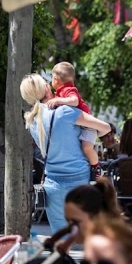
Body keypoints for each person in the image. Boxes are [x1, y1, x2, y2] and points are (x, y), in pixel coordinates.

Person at [19, 74, 111, 233]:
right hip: (79, 181)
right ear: (47, 89)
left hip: (52, 185)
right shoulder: (65, 112)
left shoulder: (32, 121)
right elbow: (105, 127)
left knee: (61, 241)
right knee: (87, 239)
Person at [46, 62, 101, 179]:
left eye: (51, 77)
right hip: (80, 124)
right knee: (81, 148)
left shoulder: (69, 89)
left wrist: (58, 100)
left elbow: (75, 101)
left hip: (87, 125)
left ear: (55, 79)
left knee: (87, 147)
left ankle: (96, 166)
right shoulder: (61, 92)